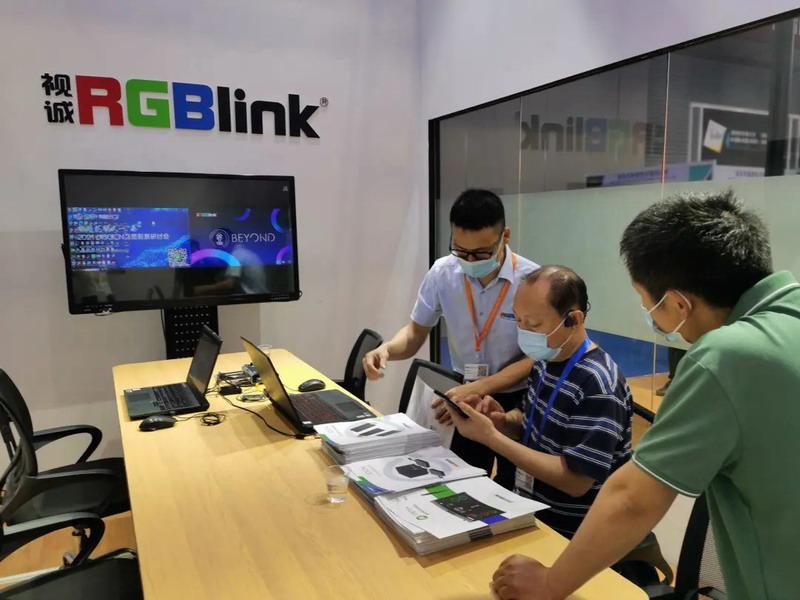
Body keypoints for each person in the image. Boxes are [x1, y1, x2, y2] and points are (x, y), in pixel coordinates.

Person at [489, 190, 800, 600]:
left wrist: (549, 584)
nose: (651, 316)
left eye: (647, 304)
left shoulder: (725, 356)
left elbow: (633, 499)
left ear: (677, 303)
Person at [363, 189, 538, 483]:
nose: (470, 260)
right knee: (462, 477)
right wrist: (387, 350)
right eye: (460, 250)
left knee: (513, 484)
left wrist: (482, 387)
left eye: (481, 253)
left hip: (518, 397)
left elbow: (537, 357)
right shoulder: (442, 273)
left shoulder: (531, 282)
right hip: (464, 393)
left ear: (505, 236)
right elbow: (415, 332)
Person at [445, 265, 632, 539]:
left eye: (534, 325)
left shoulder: (599, 385)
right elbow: (530, 421)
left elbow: (575, 481)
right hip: (529, 508)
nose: (524, 333)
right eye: (518, 321)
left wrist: (490, 438)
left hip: (573, 532)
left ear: (574, 319)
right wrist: (501, 421)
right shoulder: (546, 360)